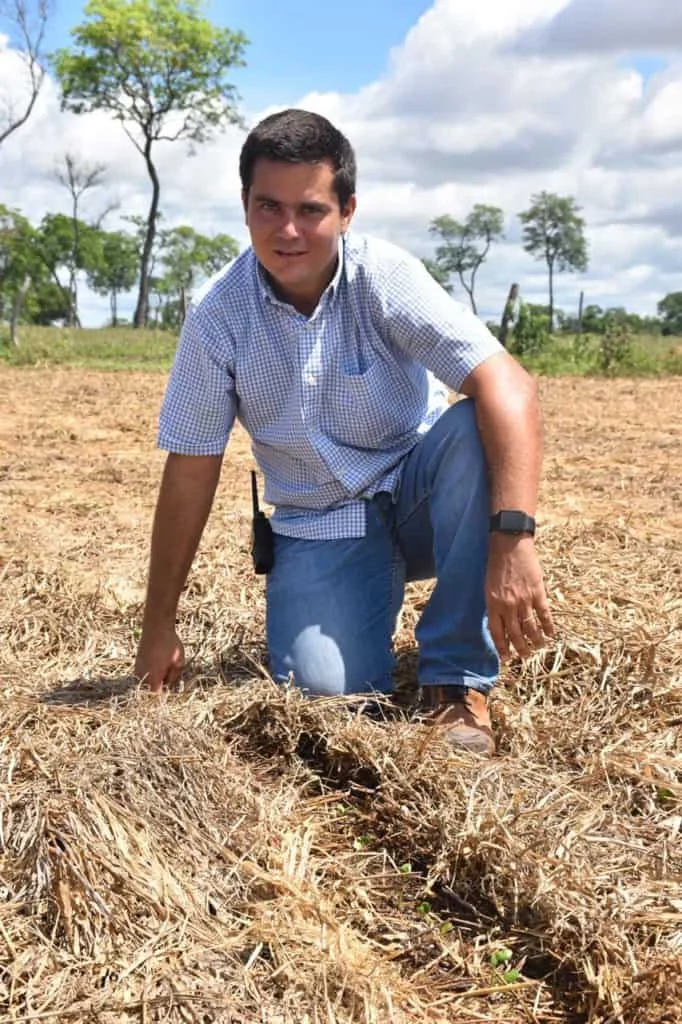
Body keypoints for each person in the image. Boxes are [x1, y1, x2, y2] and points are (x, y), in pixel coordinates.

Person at [134, 108, 554, 757]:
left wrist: (513, 538)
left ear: (347, 210)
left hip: (417, 497)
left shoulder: (384, 278)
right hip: (319, 524)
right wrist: (158, 624)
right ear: (244, 207)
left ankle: (455, 679)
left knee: (474, 426)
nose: (289, 231)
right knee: (325, 693)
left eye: (310, 209)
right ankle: (352, 611)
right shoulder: (218, 317)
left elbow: (511, 387)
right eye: (268, 207)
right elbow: (191, 465)